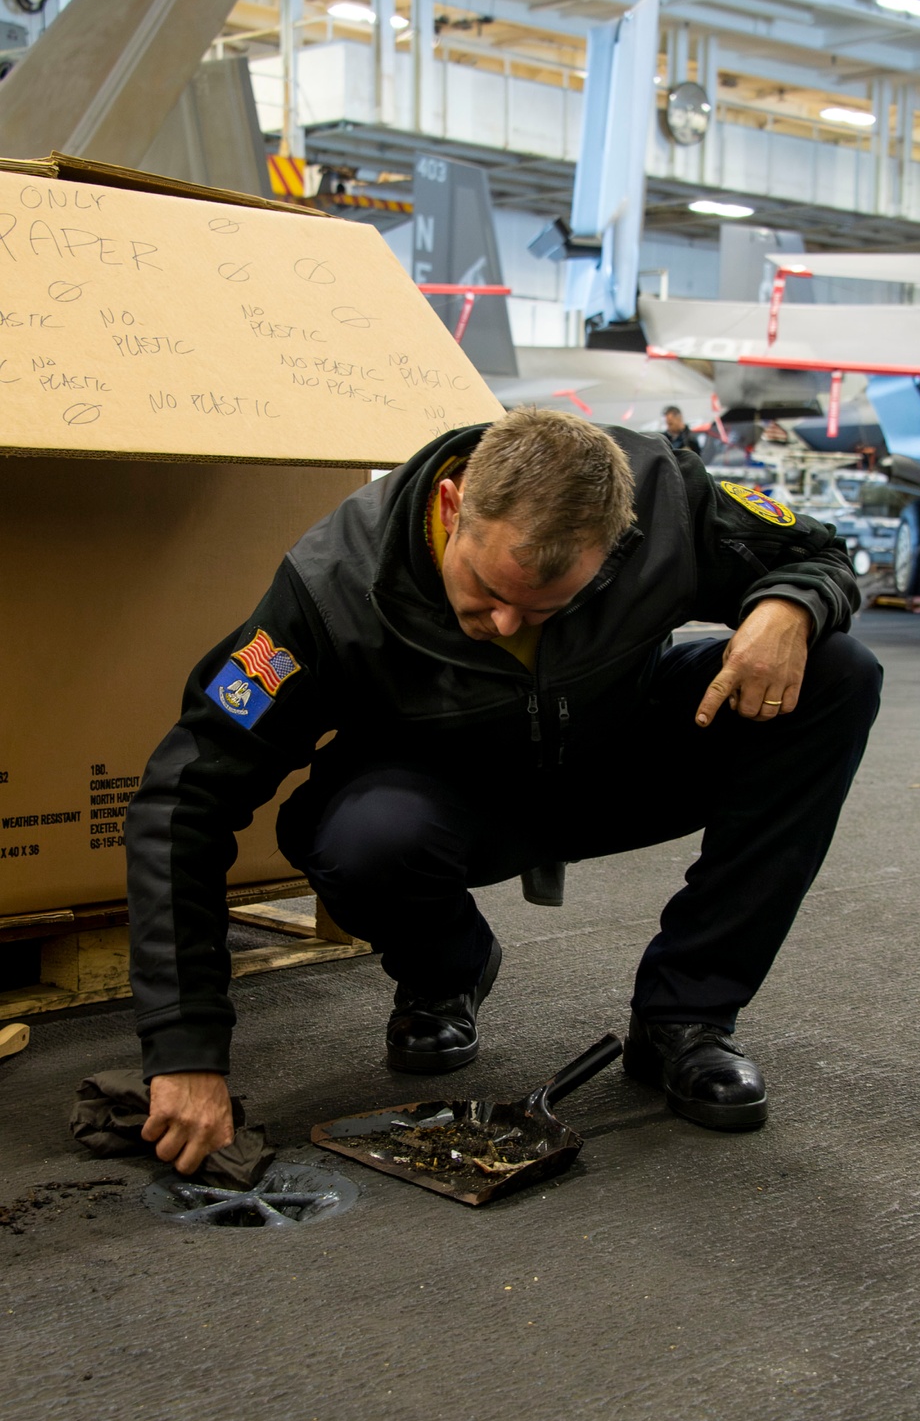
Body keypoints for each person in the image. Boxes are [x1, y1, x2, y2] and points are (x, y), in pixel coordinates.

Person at [126, 408, 881, 1175]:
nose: (506, 622)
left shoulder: (664, 497)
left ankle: (687, 1015)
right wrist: (185, 1048)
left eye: (547, 607)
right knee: (362, 839)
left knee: (836, 674)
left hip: (616, 756)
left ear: (618, 542)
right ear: (454, 507)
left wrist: (791, 605)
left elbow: (817, 552)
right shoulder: (331, 589)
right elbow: (183, 799)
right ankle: (446, 971)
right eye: (486, 592)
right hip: (445, 800)